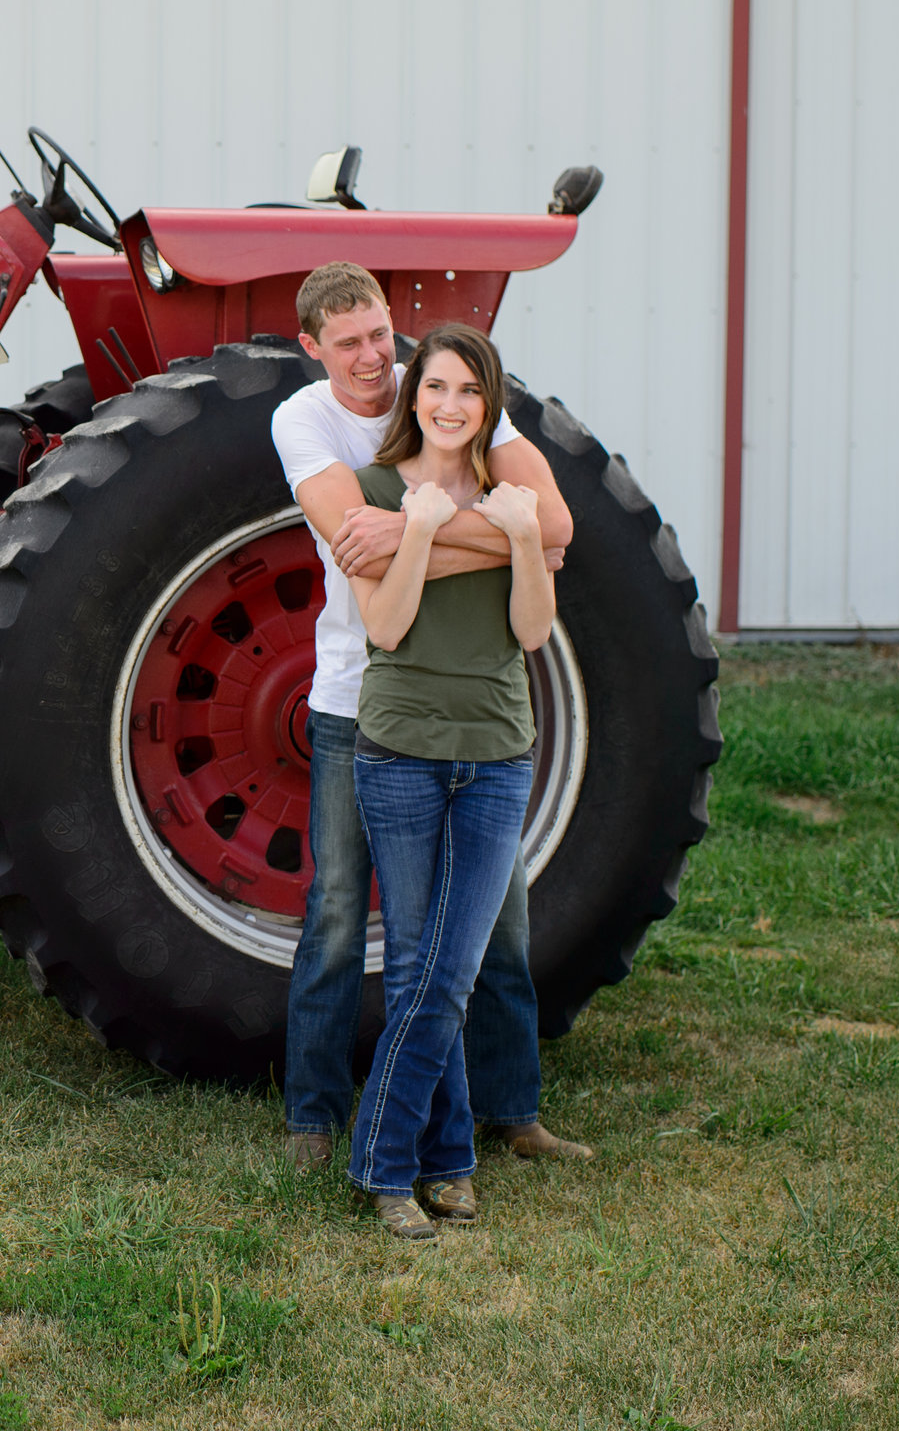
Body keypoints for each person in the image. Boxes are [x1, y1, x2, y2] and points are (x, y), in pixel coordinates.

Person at [269, 265, 590, 1175]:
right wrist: (490, 528)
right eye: (348, 342)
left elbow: (556, 528)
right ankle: (314, 1114)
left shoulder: (446, 387)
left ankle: (511, 1110)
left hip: (477, 716)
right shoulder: (306, 421)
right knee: (338, 910)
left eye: (379, 333)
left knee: (502, 918)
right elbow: (352, 540)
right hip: (353, 698)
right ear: (313, 349)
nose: (373, 357)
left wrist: (413, 529)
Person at [337, 321, 556, 1238]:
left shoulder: (517, 496)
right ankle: (424, 1167)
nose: (451, 406)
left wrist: (519, 537)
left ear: (488, 402)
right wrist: (422, 529)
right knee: (427, 967)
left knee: (449, 970)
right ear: (412, 398)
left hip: (498, 755)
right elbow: (384, 626)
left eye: (469, 391)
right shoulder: (376, 493)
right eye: (435, 389)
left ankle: (401, 1161)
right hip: (400, 755)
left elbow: (534, 631)